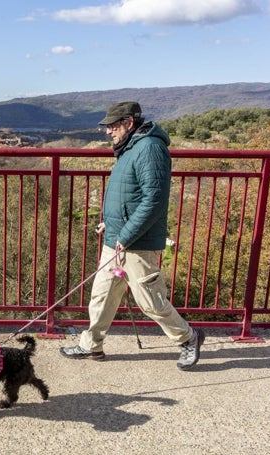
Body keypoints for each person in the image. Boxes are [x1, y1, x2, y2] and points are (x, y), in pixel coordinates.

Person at [59, 101, 204, 370]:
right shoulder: (130, 147)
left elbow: (154, 200)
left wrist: (125, 233)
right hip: (117, 238)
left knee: (150, 301)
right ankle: (92, 345)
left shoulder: (150, 148)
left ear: (128, 122)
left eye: (113, 126)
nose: (108, 132)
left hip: (137, 242)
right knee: (102, 296)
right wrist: (110, 225)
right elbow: (128, 195)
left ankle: (189, 338)